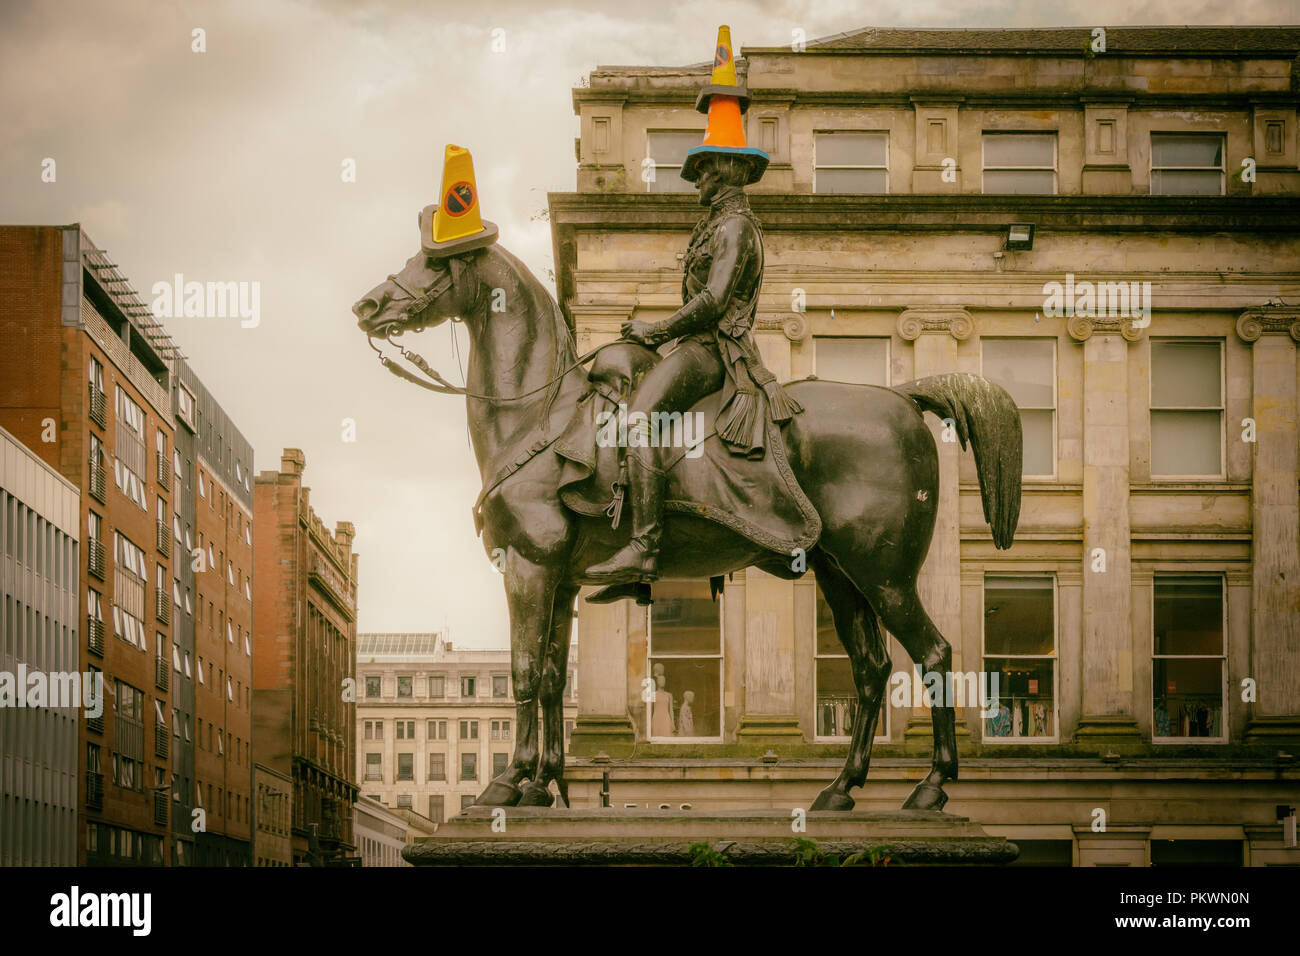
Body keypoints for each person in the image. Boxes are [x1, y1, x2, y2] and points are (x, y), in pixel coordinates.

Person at [585, 151, 802, 586]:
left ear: (725, 171)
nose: (696, 178)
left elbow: (714, 301)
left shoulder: (736, 226)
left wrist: (655, 331)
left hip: (713, 349)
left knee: (638, 422)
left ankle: (644, 548)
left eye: (702, 169)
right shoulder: (718, 225)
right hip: (698, 345)